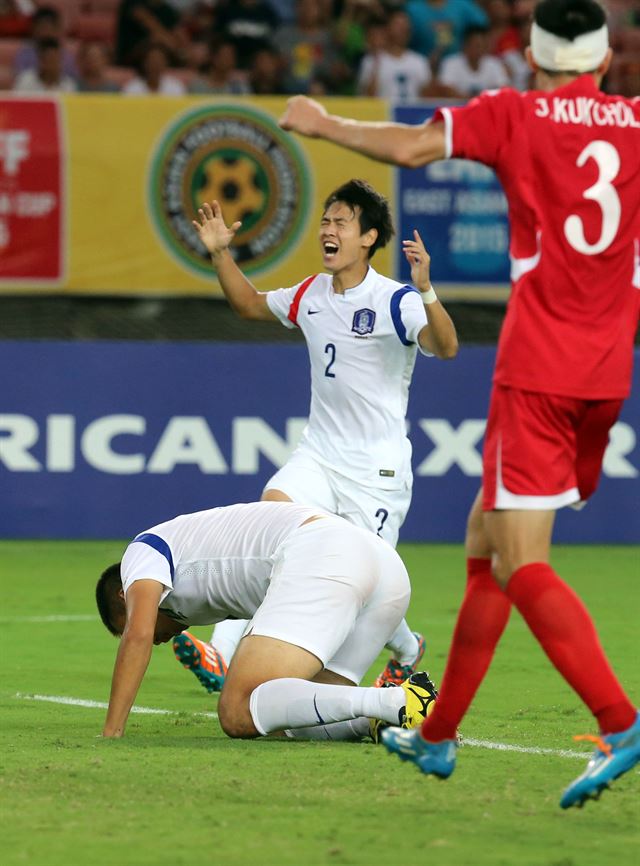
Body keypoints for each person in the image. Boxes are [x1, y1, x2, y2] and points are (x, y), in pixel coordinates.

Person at [278, 0, 640, 810]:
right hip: (610, 371)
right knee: (486, 541)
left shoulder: (513, 113)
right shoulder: (636, 123)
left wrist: (320, 119)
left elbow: (409, 145)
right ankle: (438, 738)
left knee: (521, 559)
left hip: (540, 369)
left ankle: (622, 723)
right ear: (606, 60)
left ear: (531, 56)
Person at [181, 180, 458, 700]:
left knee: (359, 585)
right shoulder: (310, 293)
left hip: (375, 474)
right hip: (319, 457)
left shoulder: (395, 300)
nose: (328, 231)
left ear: (368, 238)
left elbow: (446, 346)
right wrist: (220, 254)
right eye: (325, 222)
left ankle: (407, 649)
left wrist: (426, 289)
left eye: (341, 223)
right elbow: (249, 305)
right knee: (269, 526)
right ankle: (222, 651)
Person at [96, 501, 438, 741]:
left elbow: (138, 636)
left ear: (123, 596)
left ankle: (395, 700)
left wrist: (112, 731)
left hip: (326, 552)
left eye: (122, 623)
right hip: (383, 568)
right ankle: (379, 719)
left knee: (238, 711)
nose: (155, 639)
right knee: (287, 716)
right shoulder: (195, 570)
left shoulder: (140, 554)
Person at [436, 25, 510, 96]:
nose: (479, 49)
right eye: (476, 45)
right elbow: (445, 88)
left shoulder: (494, 64)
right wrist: (472, 101)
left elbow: (503, 89)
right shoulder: (450, 63)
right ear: (465, 45)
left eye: (482, 45)